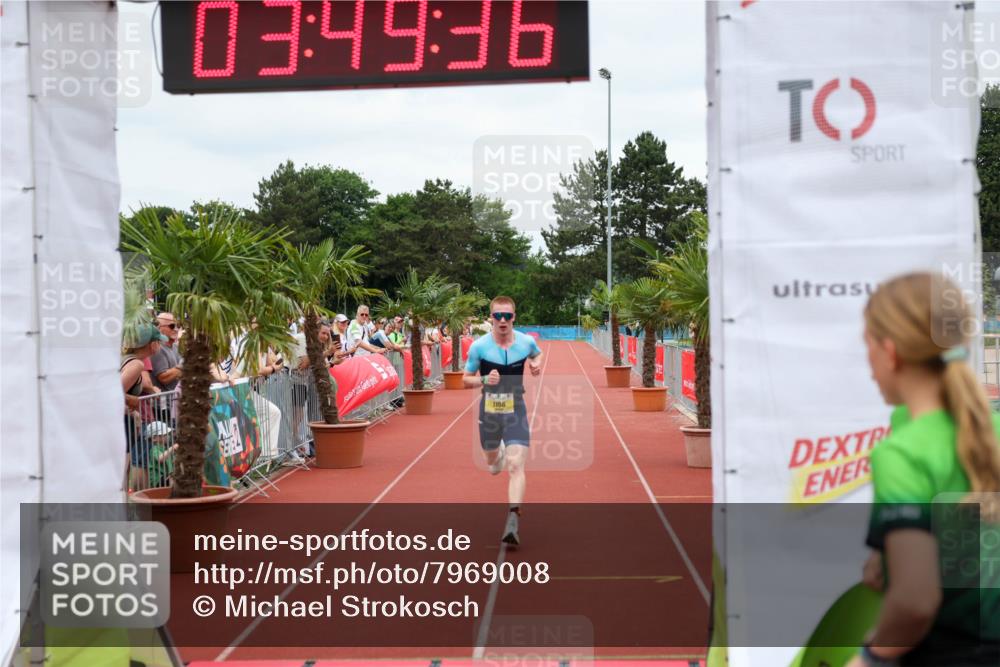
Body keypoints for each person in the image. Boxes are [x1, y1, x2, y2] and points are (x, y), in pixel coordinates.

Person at [850, 272, 1000, 667]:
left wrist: (871, 656)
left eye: (865, 345)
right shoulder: (987, 431)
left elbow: (916, 600)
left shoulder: (902, 453)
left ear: (889, 351)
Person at [463, 296, 543, 547]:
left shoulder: (525, 342)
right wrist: (485, 380)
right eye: (498, 316)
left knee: (516, 464)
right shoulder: (479, 347)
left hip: (515, 409)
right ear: (491, 317)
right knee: (494, 465)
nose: (502, 321)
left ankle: (512, 518)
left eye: (507, 316)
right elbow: (465, 379)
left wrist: (535, 365)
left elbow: (537, 354)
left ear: (514, 318)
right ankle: (495, 455)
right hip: (489, 410)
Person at [121, 323, 169, 491]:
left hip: (123, 421)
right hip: (122, 423)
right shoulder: (136, 365)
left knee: (124, 470)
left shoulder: (129, 360)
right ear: (152, 344)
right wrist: (135, 401)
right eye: (159, 341)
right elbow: (113, 392)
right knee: (123, 471)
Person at [150, 312, 183, 392]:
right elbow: (164, 378)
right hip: (162, 402)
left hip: (175, 400)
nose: (176, 329)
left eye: (178, 326)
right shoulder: (157, 348)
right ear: (159, 328)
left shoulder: (176, 347)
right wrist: (184, 365)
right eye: (172, 326)